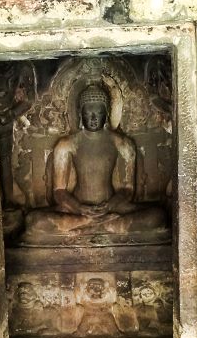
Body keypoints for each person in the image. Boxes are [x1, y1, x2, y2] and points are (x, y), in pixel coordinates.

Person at [22, 83, 168, 244]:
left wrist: (109, 206)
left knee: (158, 216)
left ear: (107, 113)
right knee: (33, 221)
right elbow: (59, 191)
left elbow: (128, 189)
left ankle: (88, 225)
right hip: (76, 209)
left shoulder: (122, 143)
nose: (93, 118)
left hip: (113, 207)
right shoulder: (67, 144)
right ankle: (98, 224)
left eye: (99, 112)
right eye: (88, 112)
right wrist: (79, 208)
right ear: (80, 113)